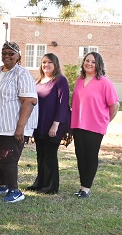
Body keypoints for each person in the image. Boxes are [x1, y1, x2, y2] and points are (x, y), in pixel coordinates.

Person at [0, 41, 38, 203]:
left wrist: (20, 127)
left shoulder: (22, 74)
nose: (7, 56)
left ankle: (15, 190)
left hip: (10, 127)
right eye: (4, 53)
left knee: (7, 159)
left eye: (11, 53)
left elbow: (29, 101)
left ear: (18, 56)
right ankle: (2, 184)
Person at [71, 52, 119, 198]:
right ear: (83, 62)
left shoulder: (105, 82)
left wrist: (105, 121)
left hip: (95, 127)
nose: (89, 64)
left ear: (98, 64)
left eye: (93, 61)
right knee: (80, 155)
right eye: (87, 60)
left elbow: (115, 105)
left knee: (91, 156)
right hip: (78, 125)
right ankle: (82, 186)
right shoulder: (80, 80)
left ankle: (86, 188)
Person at [28, 53, 70, 194]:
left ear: (55, 64)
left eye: (49, 62)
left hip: (54, 124)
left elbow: (62, 104)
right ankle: (39, 183)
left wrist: (55, 124)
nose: (46, 65)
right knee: (41, 155)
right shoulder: (38, 81)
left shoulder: (60, 81)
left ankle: (51, 187)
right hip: (40, 124)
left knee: (50, 155)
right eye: (44, 62)